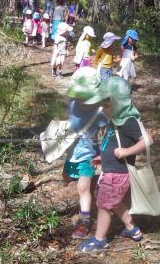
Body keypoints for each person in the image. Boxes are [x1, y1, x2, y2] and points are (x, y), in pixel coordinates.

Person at [69, 77, 152, 253]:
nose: (105, 110)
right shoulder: (116, 120)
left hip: (118, 174)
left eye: (108, 106)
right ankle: (132, 229)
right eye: (104, 106)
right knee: (114, 202)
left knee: (104, 206)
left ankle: (100, 240)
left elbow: (147, 140)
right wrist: (102, 156)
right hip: (110, 171)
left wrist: (127, 152)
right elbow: (110, 143)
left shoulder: (129, 121)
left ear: (119, 102)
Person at [63, 68, 109, 239]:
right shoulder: (73, 104)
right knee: (66, 177)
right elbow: (70, 123)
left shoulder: (99, 113)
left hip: (89, 156)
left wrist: (104, 155)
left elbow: (106, 135)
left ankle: (85, 220)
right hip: (71, 152)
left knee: (83, 186)